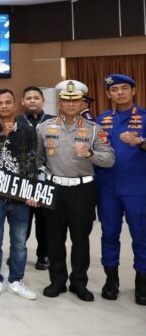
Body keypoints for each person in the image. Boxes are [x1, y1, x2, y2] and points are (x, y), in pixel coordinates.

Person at [38, 80, 114, 301]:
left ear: (82, 103)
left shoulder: (94, 129)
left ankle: (79, 282)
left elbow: (109, 159)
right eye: (65, 100)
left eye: (75, 100)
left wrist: (90, 153)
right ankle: (57, 281)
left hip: (82, 190)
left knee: (80, 239)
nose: (70, 104)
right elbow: (36, 160)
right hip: (53, 189)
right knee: (54, 238)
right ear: (59, 103)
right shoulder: (44, 128)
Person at [0, 89, 40, 300]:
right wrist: (4, 134)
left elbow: (33, 161)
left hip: (21, 197)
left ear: (15, 105)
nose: (4, 106)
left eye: (8, 102)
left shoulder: (27, 129)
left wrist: (33, 191)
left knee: (20, 242)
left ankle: (16, 280)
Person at [95, 74, 146, 305]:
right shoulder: (103, 119)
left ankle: (142, 285)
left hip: (137, 188)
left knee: (141, 237)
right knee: (109, 234)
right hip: (107, 188)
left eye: (125, 88)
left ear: (133, 91)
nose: (120, 93)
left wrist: (141, 143)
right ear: (109, 94)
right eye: (114, 90)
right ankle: (111, 281)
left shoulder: (144, 117)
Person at [18, 86, 54, 270]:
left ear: (43, 101)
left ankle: (43, 256)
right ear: (23, 101)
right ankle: (18, 253)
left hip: (46, 179)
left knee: (44, 221)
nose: (32, 100)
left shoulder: (53, 122)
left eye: (36, 97)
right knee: (22, 220)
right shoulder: (15, 122)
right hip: (22, 180)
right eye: (28, 98)